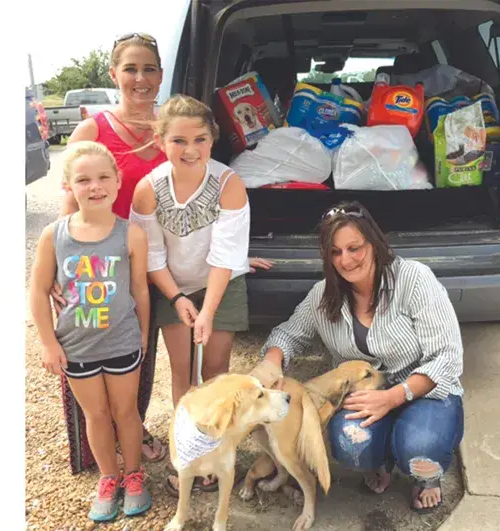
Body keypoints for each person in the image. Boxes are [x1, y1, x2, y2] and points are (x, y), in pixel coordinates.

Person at [51, 33, 273, 471]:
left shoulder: (174, 125)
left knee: (142, 357)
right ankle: (104, 453)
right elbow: (68, 206)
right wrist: (62, 270)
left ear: (161, 74)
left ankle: (143, 432)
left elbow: (209, 216)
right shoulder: (93, 130)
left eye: (149, 69)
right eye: (130, 69)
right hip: (106, 266)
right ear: (114, 74)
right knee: (97, 355)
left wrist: (230, 259)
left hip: (155, 268)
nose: (140, 78)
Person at [250, 200, 465, 514]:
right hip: (365, 397)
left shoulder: (414, 279)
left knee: (419, 449)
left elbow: (448, 357)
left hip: (424, 392)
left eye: (354, 248)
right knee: (352, 445)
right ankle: (379, 460)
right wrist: (270, 367)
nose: (346, 260)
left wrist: (393, 396)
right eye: (335, 252)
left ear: (373, 243)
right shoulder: (323, 295)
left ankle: (426, 476)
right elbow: (287, 335)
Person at [130, 94, 251, 495]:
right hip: (173, 285)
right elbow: (152, 254)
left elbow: (225, 256)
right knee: (182, 371)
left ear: (213, 140)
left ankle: (214, 451)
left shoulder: (229, 185)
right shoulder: (148, 189)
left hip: (221, 284)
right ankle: (187, 451)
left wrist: (208, 310)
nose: (191, 150)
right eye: (178, 141)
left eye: (200, 139)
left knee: (215, 370)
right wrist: (178, 298)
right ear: (160, 141)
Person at [29, 141, 153, 521]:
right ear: (68, 185)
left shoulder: (130, 234)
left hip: (121, 343)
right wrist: (48, 342)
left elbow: (140, 289)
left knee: (126, 412)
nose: (95, 186)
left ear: (117, 181)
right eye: (83, 180)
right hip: (77, 348)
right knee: (95, 415)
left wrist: (143, 333)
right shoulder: (54, 235)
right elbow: (37, 290)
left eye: (103, 177)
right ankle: (108, 477)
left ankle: (134, 475)